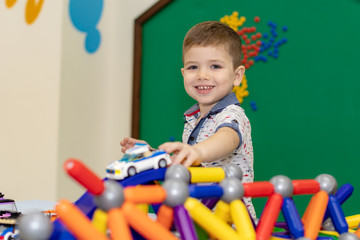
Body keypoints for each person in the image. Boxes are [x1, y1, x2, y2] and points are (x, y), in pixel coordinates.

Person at [120, 21, 255, 218]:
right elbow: (187, 161)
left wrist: (197, 151)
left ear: (237, 76)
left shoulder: (232, 114)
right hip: (199, 215)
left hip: (232, 220)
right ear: (183, 73)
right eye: (193, 67)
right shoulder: (193, 119)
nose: (202, 75)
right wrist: (150, 154)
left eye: (215, 66)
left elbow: (227, 138)